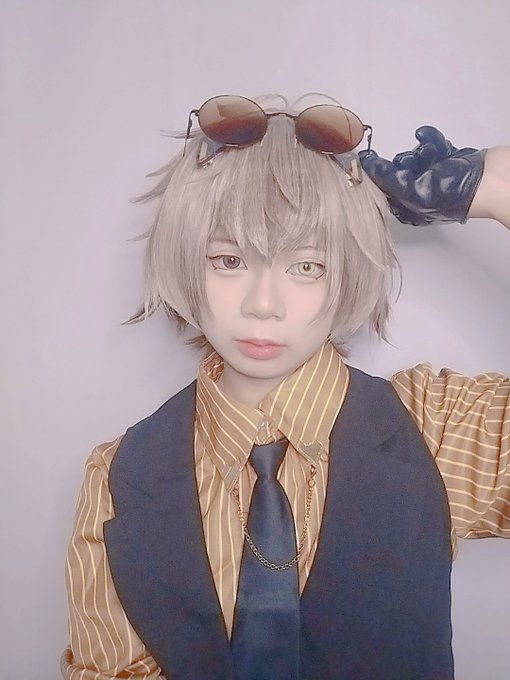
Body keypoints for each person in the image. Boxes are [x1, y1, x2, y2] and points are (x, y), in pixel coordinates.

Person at [62, 94, 510, 680]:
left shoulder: (437, 427)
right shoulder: (118, 475)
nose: (263, 304)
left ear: (348, 271)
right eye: (228, 260)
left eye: (307, 266)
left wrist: (498, 190)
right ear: (187, 262)